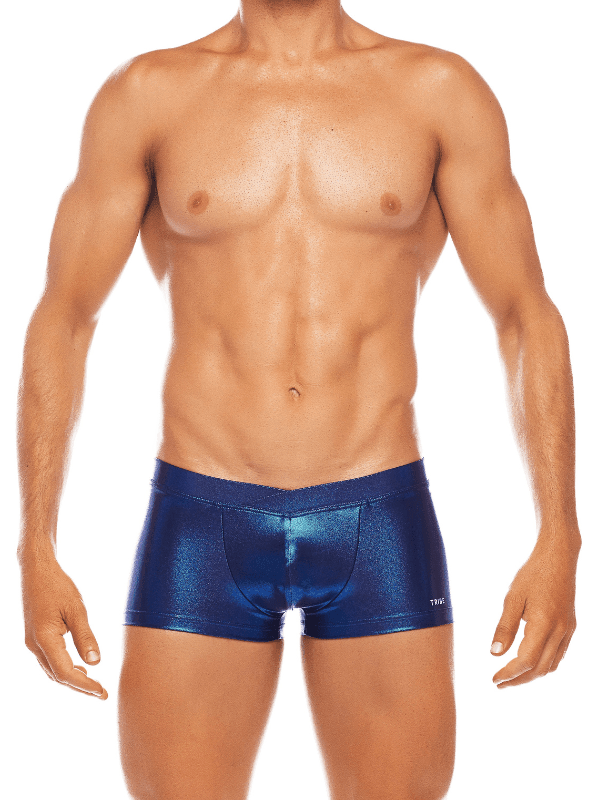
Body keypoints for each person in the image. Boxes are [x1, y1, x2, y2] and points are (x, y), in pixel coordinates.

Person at [16, 0, 581, 798]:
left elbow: (526, 315)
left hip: (377, 510)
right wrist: (35, 546)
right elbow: (65, 317)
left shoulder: (437, 90)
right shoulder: (149, 93)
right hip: (201, 509)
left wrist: (560, 533)